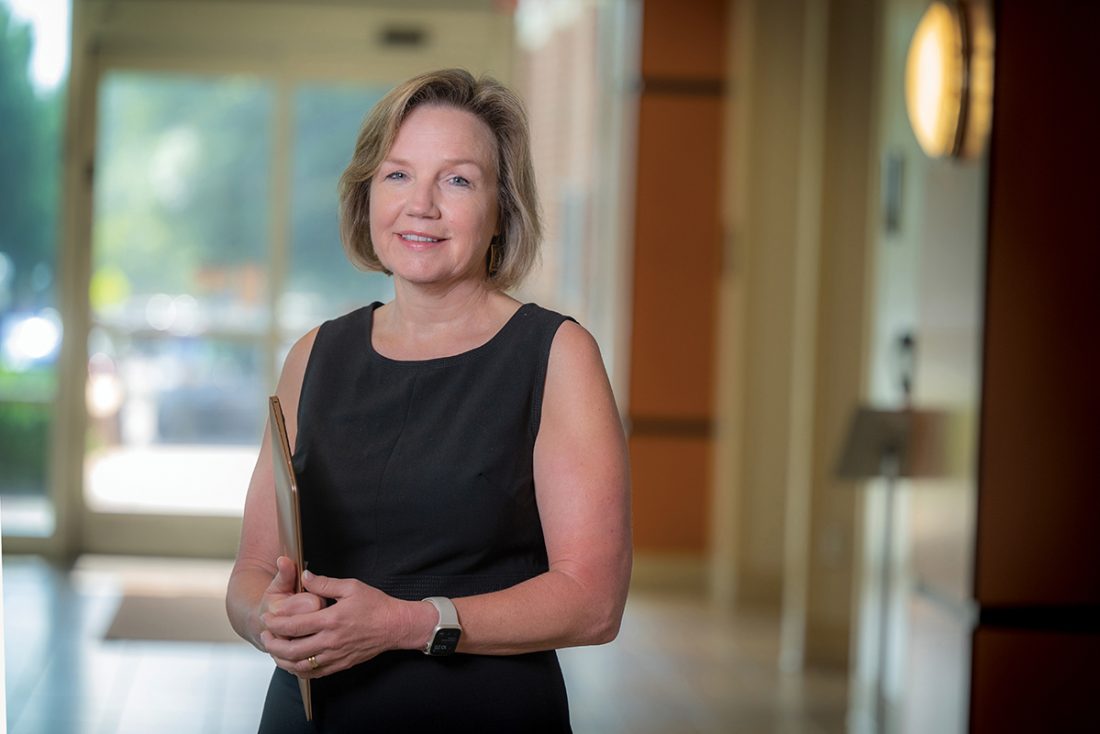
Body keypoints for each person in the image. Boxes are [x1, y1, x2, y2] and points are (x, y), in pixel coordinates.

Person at [226, 68, 632, 732]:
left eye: (458, 180)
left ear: (503, 209)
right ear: (366, 196)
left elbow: (594, 603)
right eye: (397, 175)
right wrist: (266, 619)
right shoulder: (314, 356)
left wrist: (404, 623)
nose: (422, 205)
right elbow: (250, 573)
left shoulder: (557, 356)